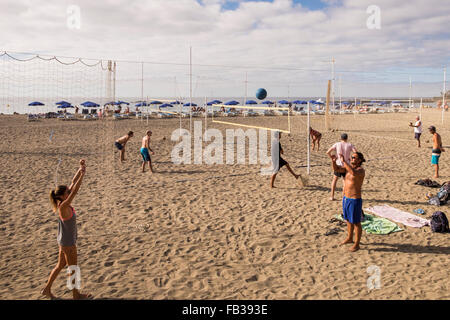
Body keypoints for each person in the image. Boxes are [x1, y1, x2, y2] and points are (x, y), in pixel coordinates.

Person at [41, 159, 91, 299]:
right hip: (68, 243)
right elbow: (75, 190)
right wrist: (83, 175)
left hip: (63, 241)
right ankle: (76, 295)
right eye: (67, 192)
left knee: (60, 265)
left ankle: (47, 289)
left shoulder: (62, 203)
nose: (69, 192)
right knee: (72, 267)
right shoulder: (63, 206)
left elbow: (72, 184)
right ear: (63, 196)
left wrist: (80, 169)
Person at [331, 152, 366, 252]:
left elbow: (353, 173)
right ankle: (350, 238)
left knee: (356, 222)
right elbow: (337, 169)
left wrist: (344, 161)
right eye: (351, 157)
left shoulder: (360, 170)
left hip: (355, 199)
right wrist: (333, 161)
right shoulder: (348, 168)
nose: (351, 159)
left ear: (359, 160)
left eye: (354, 157)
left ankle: (357, 244)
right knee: (348, 220)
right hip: (346, 198)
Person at [326, 133, 357, 200]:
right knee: (344, 181)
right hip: (346, 164)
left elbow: (328, 152)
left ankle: (332, 196)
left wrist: (332, 157)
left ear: (341, 138)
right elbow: (356, 153)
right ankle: (343, 197)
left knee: (334, 180)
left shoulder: (337, 144)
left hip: (338, 164)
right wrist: (351, 159)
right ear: (347, 138)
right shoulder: (349, 145)